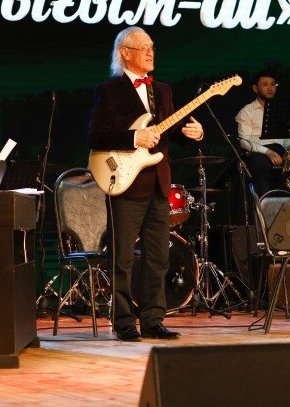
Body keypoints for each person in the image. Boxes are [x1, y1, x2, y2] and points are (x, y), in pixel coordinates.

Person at [87, 26, 204, 342]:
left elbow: (168, 133)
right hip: (125, 182)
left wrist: (193, 134)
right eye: (144, 47)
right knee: (123, 258)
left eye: (152, 47)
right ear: (125, 52)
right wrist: (133, 137)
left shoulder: (163, 90)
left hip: (158, 184)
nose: (151, 52)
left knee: (158, 257)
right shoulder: (109, 90)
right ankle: (123, 321)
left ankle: (153, 320)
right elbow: (95, 136)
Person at [234, 71, 290, 197]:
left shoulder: (281, 110)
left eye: (272, 84)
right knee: (259, 163)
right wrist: (268, 152)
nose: (270, 88)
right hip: (259, 152)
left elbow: (287, 137)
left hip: (280, 151)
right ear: (255, 88)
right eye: (265, 84)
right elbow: (244, 142)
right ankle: (265, 203)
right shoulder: (247, 111)